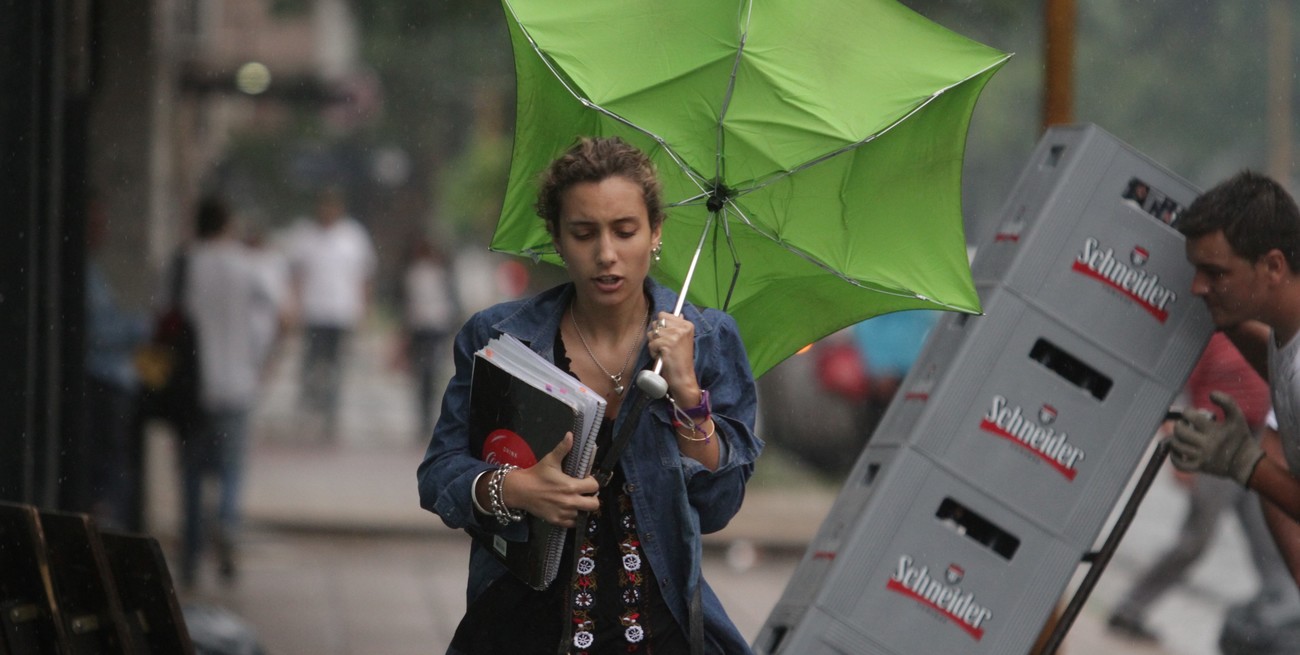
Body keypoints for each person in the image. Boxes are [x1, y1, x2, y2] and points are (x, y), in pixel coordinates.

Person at [417, 136, 763, 654]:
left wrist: (689, 394)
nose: (606, 255)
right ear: (557, 239)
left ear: (655, 232)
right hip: (523, 630)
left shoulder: (707, 339)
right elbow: (438, 476)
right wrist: (517, 489)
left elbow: (717, 508)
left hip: (658, 633)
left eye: (625, 231)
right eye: (583, 233)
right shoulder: (500, 338)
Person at [1108, 333, 1300, 645]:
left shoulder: (1272, 339)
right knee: (1195, 541)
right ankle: (1129, 608)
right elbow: (1174, 393)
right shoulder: (1216, 340)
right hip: (1217, 444)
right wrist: (1180, 450)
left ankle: (1281, 622)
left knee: (1270, 543)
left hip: (1258, 442)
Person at [1170, 170, 1300, 588]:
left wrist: (1246, 464)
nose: (1197, 287)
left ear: (1273, 266)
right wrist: (1225, 322)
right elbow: (1281, 370)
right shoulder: (1286, 336)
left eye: (1215, 273)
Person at [177, 196, 279, 587]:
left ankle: (190, 556)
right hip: (237, 383)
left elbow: (166, 316)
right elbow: (275, 313)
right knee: (231, 468)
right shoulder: (245, 265)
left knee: (191, 473)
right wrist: (259, 357)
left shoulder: (185, 264)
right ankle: (226, 523)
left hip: (193, 388)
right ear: (227, 224)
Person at [286, 186, 377, 439]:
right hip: (314, 311)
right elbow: (297, 276)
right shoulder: (305, 235)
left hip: (341, 311)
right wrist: (294, 306)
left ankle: (330, 415)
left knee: (336, 366)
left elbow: (364, 276)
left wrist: (365, 309)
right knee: (311, 363)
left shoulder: (353, 236)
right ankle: (309, 409)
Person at [83, 194, 151, 527]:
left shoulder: (92, 271)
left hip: (109, 381)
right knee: (110, 472)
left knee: (114, 469)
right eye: (95, 225)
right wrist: (139, 327)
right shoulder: (82, 274)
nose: (103, 232)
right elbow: (97, 331)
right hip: (101, 382)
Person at [398, 235, 460, 440]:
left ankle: (427, 415)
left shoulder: (433, 274)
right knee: (426, 374)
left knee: (428, 373)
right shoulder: (419, 274)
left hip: (431, 327)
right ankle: (425, 416)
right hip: (425, 328)